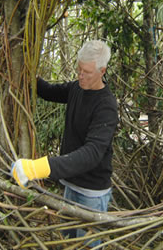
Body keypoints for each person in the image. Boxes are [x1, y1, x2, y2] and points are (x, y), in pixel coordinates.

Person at [11, 40, 118, 247]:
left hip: (92, 193)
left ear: (102, 70)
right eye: (78, 69)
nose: (80, 75)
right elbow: (49, 91)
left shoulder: (106, 105)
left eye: (86, 71)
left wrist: (37, 167)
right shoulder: (77, 88)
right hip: (71, 185)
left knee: (87, 245)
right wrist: (28, 75)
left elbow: (92, 153)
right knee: (66, 242)